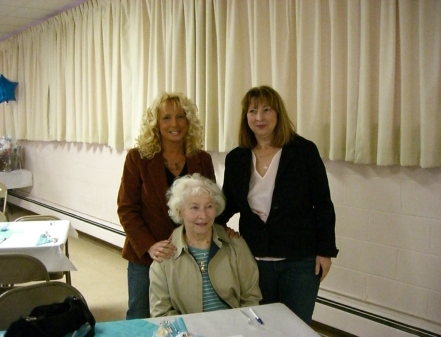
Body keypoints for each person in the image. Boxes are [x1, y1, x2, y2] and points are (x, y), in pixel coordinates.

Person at [216, 85, 339, 324]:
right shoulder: (237, 157)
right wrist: (207, 228)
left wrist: (326, 251)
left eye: (266, 109)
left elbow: (323, 204)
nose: (259, 117)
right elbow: (227, 203)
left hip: (299, 261)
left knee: (295, 327)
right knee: (261, 326)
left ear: (278, 114)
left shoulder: (303, 151)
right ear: (246, 117)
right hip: (255, 261)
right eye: (252, 111)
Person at [117, 92, 216, 319]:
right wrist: (150, 245)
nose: (174, 124)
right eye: (166, 118)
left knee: (186, 314)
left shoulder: (202, 159)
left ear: (189, 122)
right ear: (155, 124)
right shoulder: (137, 158)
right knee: (140, 315)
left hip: (190, 253)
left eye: (180, 117)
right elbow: (126, 209)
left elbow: (211, 206)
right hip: (147, 255)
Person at [149, 173, 262, 317]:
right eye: (194, 208)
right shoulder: (165, 255)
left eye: (209, 206)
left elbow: (251, 298)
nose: (203, 215)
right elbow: (161, 313)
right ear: (179, 211)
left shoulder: (235, 245)